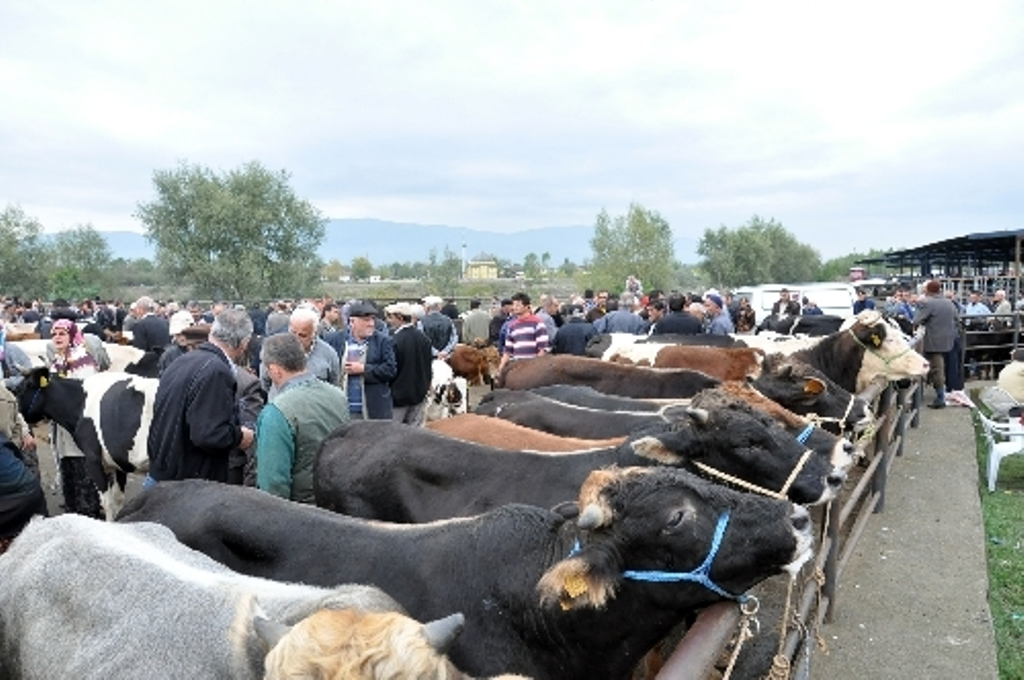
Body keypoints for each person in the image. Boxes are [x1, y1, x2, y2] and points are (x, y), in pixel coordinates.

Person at [145, 309, 256, 486]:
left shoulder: (182, 360)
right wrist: (240, 436)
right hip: (186, 486)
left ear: (212, 332)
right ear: (244, 343)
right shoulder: (216, 371)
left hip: (161, 475)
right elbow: (208, 434)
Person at [253, 333, 347, 503]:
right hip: (336, 504)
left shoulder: (276, 412)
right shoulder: (338, 396)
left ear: (274, 370)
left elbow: (273, 483)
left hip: (299, 513)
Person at [264, 307, 340, 399]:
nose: (296, 339)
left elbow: (334, 386)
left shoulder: (328, 354)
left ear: (314, 333)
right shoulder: (274, 348)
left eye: (302, 335)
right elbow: (265, 381)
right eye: (293, 333)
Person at [340, 301, 397, 420]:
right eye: (366, 320)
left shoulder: (382, 341)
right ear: (352, 321)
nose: (371, 324)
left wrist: (363, 369)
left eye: (372, 319)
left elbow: (390, 370)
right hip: (344, 410)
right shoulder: (337, 340)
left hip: (374, 411)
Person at [384, 302, 433, 425]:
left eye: (391, 317)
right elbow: (428, 366)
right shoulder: (424, 338)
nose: (388, 321)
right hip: (419, 395)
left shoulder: (395, 340)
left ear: (400, 317)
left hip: (398, 397)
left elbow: (392, 370)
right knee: (414, 436)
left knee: (394, 434)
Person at [914, 280, 959, 409]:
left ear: (928, 290)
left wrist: (919, 306)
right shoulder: (949, 302)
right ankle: (947, 391)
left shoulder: (928, 303)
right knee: (947, 367)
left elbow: (916, 320)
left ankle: (940, 398)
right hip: (949, 340)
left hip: (933, 341)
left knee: (937, 370)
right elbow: (956, 318)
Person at [497, 292, 550, 378]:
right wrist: (501, 368)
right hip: (518, 368)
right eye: (514, 305)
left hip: (533, 370)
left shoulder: (537, 323)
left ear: (527, 306)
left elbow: (543, 350)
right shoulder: (512, 326)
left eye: (518, 305)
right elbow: (507, 351)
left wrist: (535, 368)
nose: (515, 308)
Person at [418, 296, 458, 360]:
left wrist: (435, 353)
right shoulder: (448, 320)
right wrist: (445, 351)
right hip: (446, 358)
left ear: (428, 307)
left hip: (428, 358)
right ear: (440, 307)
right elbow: (454, 338)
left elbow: (421, 340)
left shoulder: (421, 322)